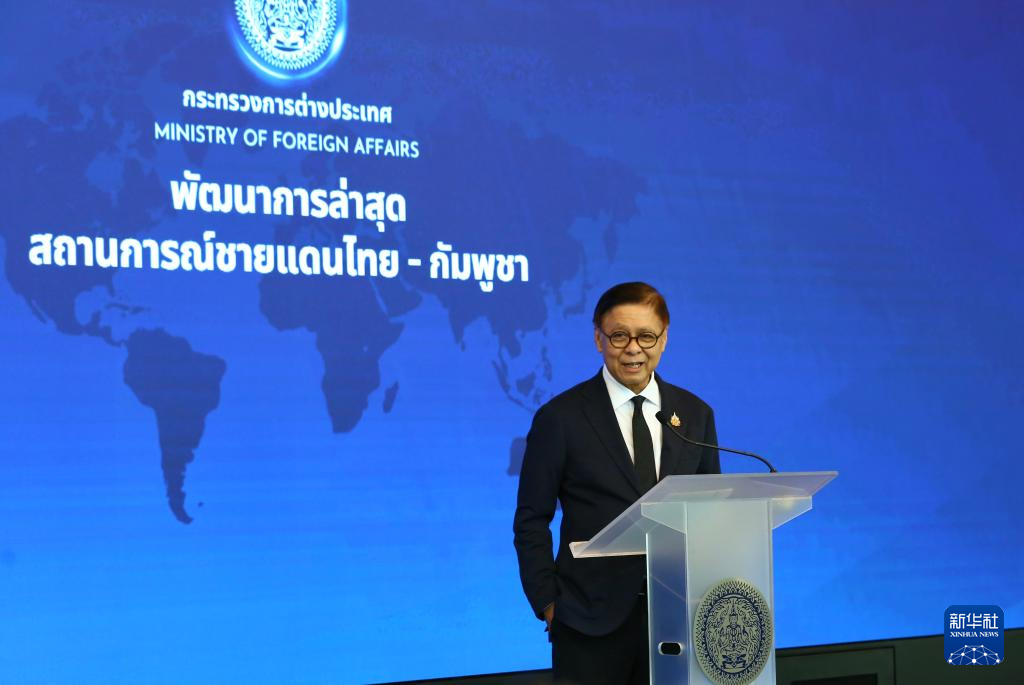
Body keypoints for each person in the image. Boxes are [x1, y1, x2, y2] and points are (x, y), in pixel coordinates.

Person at [513, 282, 721, 685]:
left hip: (679, 620)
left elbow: (710, 513)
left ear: (664, 339)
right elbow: (531, 519)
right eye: (620, 335)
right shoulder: (561, 418)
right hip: (588, 621)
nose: (633, 349)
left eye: (646, 336)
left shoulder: (695, 415)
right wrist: (548, 603)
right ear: (599, 339)